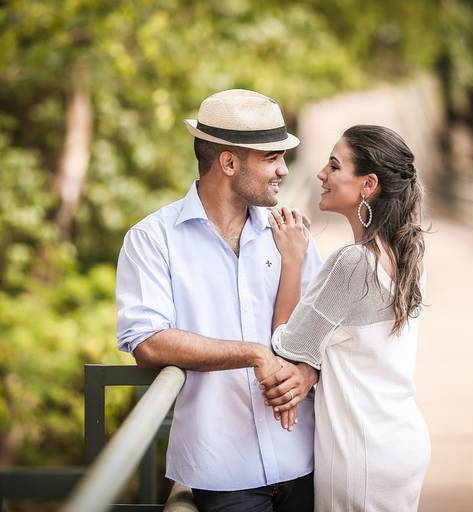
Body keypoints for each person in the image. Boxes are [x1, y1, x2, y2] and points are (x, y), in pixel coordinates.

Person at [115, 89, 323, 511]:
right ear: (229, 163)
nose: (284, 170)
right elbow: (148, 343)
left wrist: (308, 373)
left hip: (307, 457)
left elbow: (322, 328)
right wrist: (253, 354)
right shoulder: (153, 239)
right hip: (224, 471)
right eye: (271, 158)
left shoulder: (292, 234)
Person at [260, 124, 432, 511]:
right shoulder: (407, 257)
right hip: (400, 442)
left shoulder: (353, 262)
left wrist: (292, 258)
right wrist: (314, 366)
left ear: (367, 185)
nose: (321, 173)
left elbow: (286, 348)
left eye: (335, 166)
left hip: (363, 452)